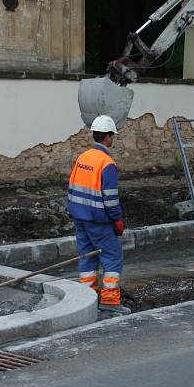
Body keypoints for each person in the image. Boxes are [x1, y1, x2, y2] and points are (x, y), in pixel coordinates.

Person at [67, 115, 130, 315]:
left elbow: (72, 187)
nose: (113, 140)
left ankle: (88, 297)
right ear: (108, 137)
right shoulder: (107, 163)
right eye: (113, 136)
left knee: (87, 256)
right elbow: (110, 198)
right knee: (112, 256)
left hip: (80, 217)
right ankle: (110, 301)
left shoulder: (82, 158)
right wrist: (117, 219)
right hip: (99, 220)